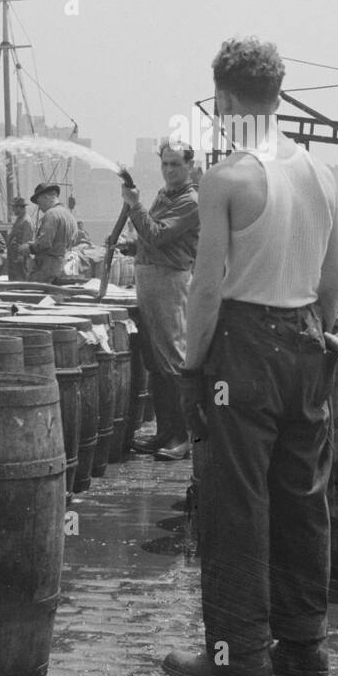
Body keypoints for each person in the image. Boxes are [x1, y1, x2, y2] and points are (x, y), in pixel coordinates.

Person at [163, 37, 338, 676]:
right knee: (303, 498)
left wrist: (190, 369)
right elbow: (335, 282)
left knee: (236, 502)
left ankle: (237, 654)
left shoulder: (228, 178)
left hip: (242, 348)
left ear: (227, 100)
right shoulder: (320, 174)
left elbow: (206, 290)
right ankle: (303, 645)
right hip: (306, 341)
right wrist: (316, 331)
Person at [124, 142, 201, 460]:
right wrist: (132, 247)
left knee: (172, 357)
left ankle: (182, 437)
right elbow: (151, 238)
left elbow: (156, 235)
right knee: (156, 360)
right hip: (151, 278)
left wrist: (134, 206)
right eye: (165, 164)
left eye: (175, 165)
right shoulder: (164, 196)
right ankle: (165, 432)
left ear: (189, 167)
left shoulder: (190, 202)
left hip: (169, 281)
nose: (169, 170)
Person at [29, 183, 77, 282]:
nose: (39, 207)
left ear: (45, 197)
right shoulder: (70, 216)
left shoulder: (51, 214)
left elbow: (44, 243)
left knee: (37, 296)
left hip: (48, 269)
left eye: (39, 203)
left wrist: (29, 248)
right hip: (67, 268)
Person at [5, 196, 33, 280]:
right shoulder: (19, 219)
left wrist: (21, 256)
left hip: (20, 258)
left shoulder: (26, 221)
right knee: (13, 279)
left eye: (14, 207)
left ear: (19, 208)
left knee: (21, 279)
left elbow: (26, 240)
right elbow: (12, 235)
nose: (13, 210)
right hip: (13, 256)